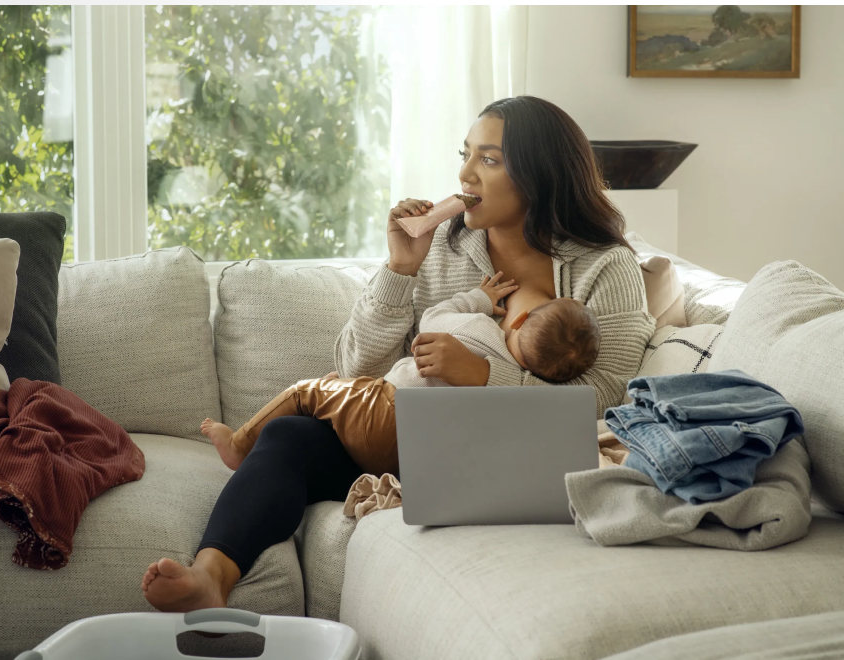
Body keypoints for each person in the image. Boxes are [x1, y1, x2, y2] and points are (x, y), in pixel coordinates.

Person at [140, 95, 652, 613]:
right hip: (409, 440)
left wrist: (483, 375)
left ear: (541, 174)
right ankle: (210, 576)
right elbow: (355, 367)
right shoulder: (441, 246)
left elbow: (609, 397)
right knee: (287, 435)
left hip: (513, 459)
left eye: (489, 159)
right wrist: (401, 268)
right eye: (466, 154)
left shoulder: (604, 266)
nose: (465, 173)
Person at [200, 271, 602, 473]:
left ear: (519, 319)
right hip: (415, 457)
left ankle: (238, 443)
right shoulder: (525, 392)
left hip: (386, 411)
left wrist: (479, 298)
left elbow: (433, 317)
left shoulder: (478, 329)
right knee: (341, 391)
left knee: (307, 391)